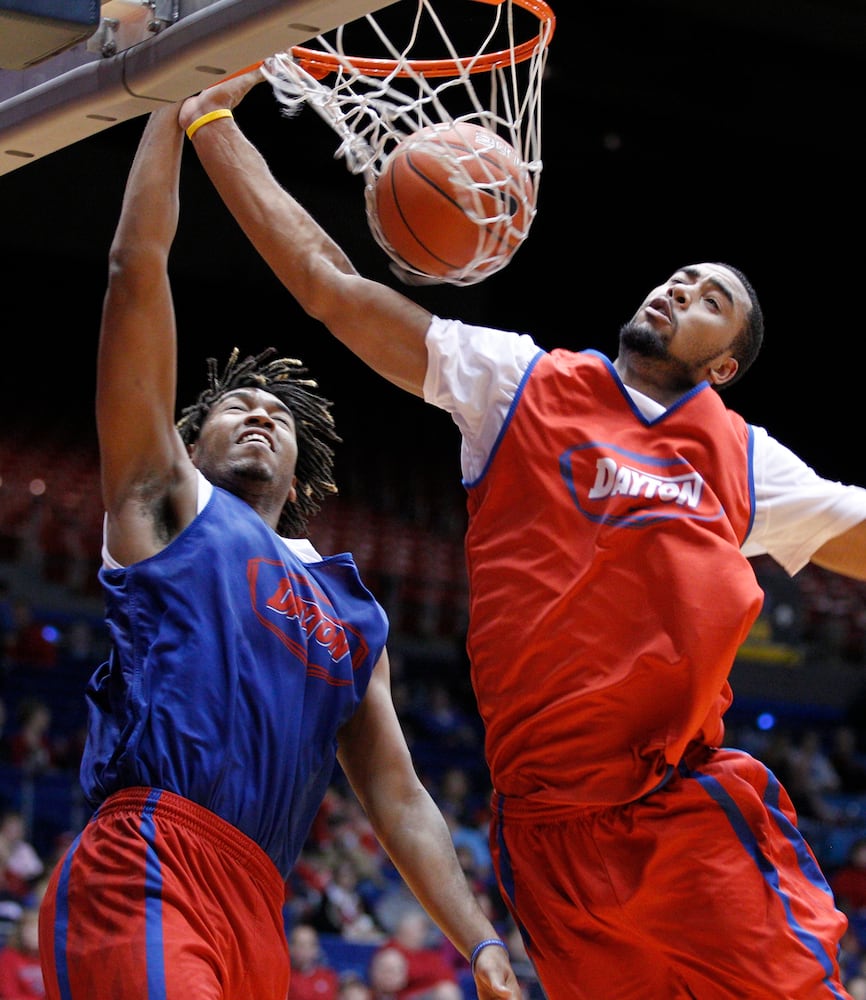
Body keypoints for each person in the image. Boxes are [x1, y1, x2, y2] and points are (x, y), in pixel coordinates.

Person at [177, 69, 866, 998]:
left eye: (708, 299)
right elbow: (332, 289)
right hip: (543, 832)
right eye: (680, 277)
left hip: (676, 805)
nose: (679, 290)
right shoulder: (519, 382)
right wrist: (210, 120)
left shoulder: (743, 459)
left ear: (726, 362)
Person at [36, 104, 520, 1000]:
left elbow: (399, 795)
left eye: (281, 416)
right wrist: (168, 102)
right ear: (187, 437)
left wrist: (480, 942)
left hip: (260, 903)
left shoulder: (353, 611)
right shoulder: (165, 502)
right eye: (234, 406)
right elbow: (134, 271)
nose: (261, 412)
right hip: (150, 861)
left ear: (304, 470)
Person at [286, 923, 339, 1000]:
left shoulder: (329, 977)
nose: (304, 950)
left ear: (316, 948)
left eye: (309, 944)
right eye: (299, 945)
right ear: (291, 948)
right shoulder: (285, 978)